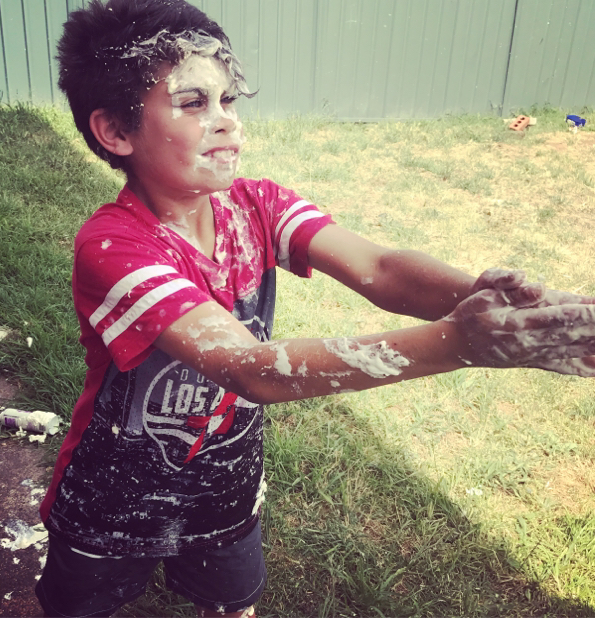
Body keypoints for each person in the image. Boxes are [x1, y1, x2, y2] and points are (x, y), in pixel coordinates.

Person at [36, 0, 595, 616]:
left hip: (225, 488)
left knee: (231, 605)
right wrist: (459, 343)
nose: (227, 123)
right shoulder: (113, 247)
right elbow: (249, 369)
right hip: (114, 497)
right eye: (194, 103)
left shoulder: (258, 206)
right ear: (116, 131)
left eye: (229, 99)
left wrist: (491, 304)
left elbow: (381, 269)